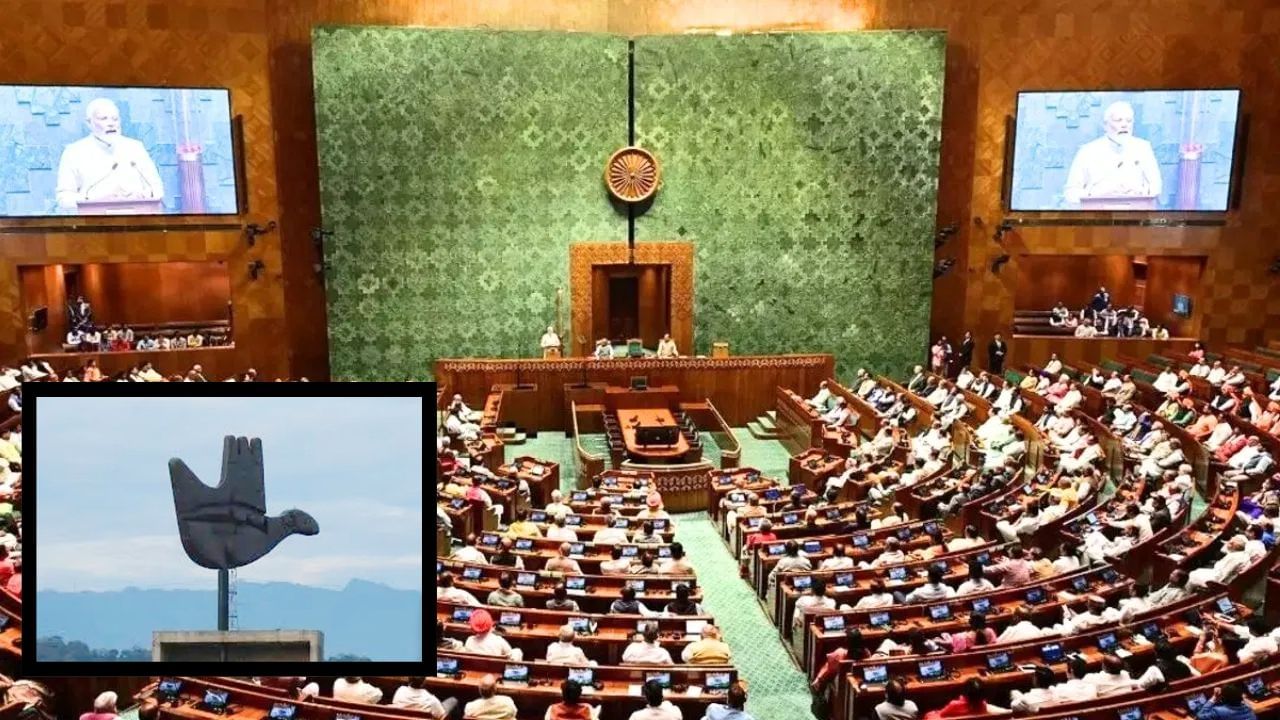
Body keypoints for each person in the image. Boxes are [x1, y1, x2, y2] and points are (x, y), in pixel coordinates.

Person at [56, 98, 164, 211]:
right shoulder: (74, 152)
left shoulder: (135, 148)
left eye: (115, 119)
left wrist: (142, 195)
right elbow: (63, 198)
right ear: (89, 123)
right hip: (95, 220)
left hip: (136, 217)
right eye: (104, 119)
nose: (111, 124)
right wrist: (95, 199)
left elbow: (157, 189)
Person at [1064, 101, 1161, 207]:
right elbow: (1071, 192)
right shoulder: (1087, 151)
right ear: (1105, 125)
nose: (1124, 125)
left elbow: (1156, 186)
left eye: (1129, 121)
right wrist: (1098, 194)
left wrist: (1139, 191)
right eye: (1118, 120)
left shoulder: (1143, 148)